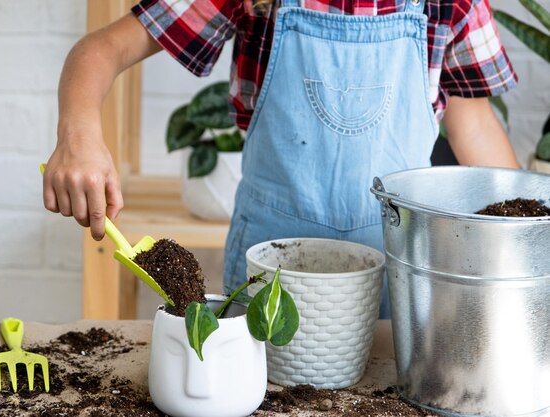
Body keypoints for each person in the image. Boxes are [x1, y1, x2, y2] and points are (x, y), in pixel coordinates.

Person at [43, 0, 520, 317]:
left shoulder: (449, 4)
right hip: (267, 274)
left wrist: (528, 241)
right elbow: (103, 48)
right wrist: (79, 132)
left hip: (396, 280)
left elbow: (473, 124)